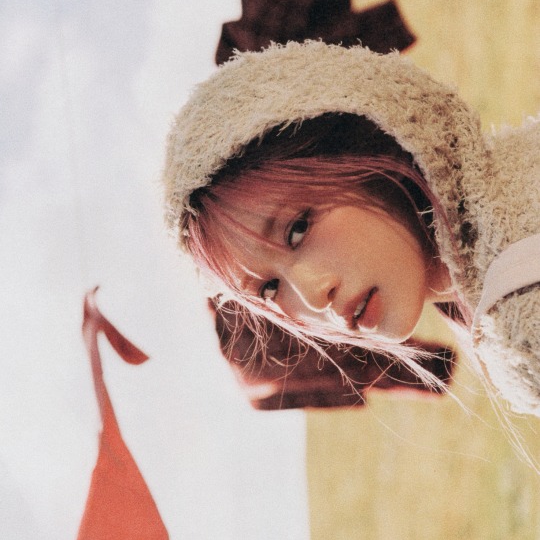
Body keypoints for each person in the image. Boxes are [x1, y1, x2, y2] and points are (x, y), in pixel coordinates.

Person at [163, 41, 540, 415]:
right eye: (269, 289)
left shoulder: (521, 320)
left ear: (364, 144)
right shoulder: (514, 183)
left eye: (297, 230)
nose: (314, 297)